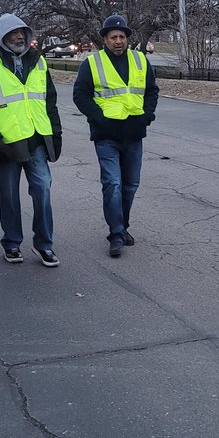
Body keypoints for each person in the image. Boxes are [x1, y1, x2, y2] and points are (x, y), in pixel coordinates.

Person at [0, 13, 63, 267]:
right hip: (8, 141)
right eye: (13, 33)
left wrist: (56, 133)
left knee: (43, 190)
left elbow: (50, 102)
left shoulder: (39, 62)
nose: (19, 37)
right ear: (3, 38)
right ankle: (11, 243)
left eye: (22, 33)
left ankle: (44, 244)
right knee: (9, 195)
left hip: (36, 138)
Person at [73, 14, 159, 258]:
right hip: (106, 136)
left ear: (127, 39)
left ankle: (123, 227)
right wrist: (99, 118)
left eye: (122, 36)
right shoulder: (93, 63)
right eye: (113, 37)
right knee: (113, 184)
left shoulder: (140, 60)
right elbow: (81, 96)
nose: (118, 41)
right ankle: (116, 234)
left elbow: (151, 91)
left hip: (134, 134)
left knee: (130, 186)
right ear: (105, 39)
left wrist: (147, 116)